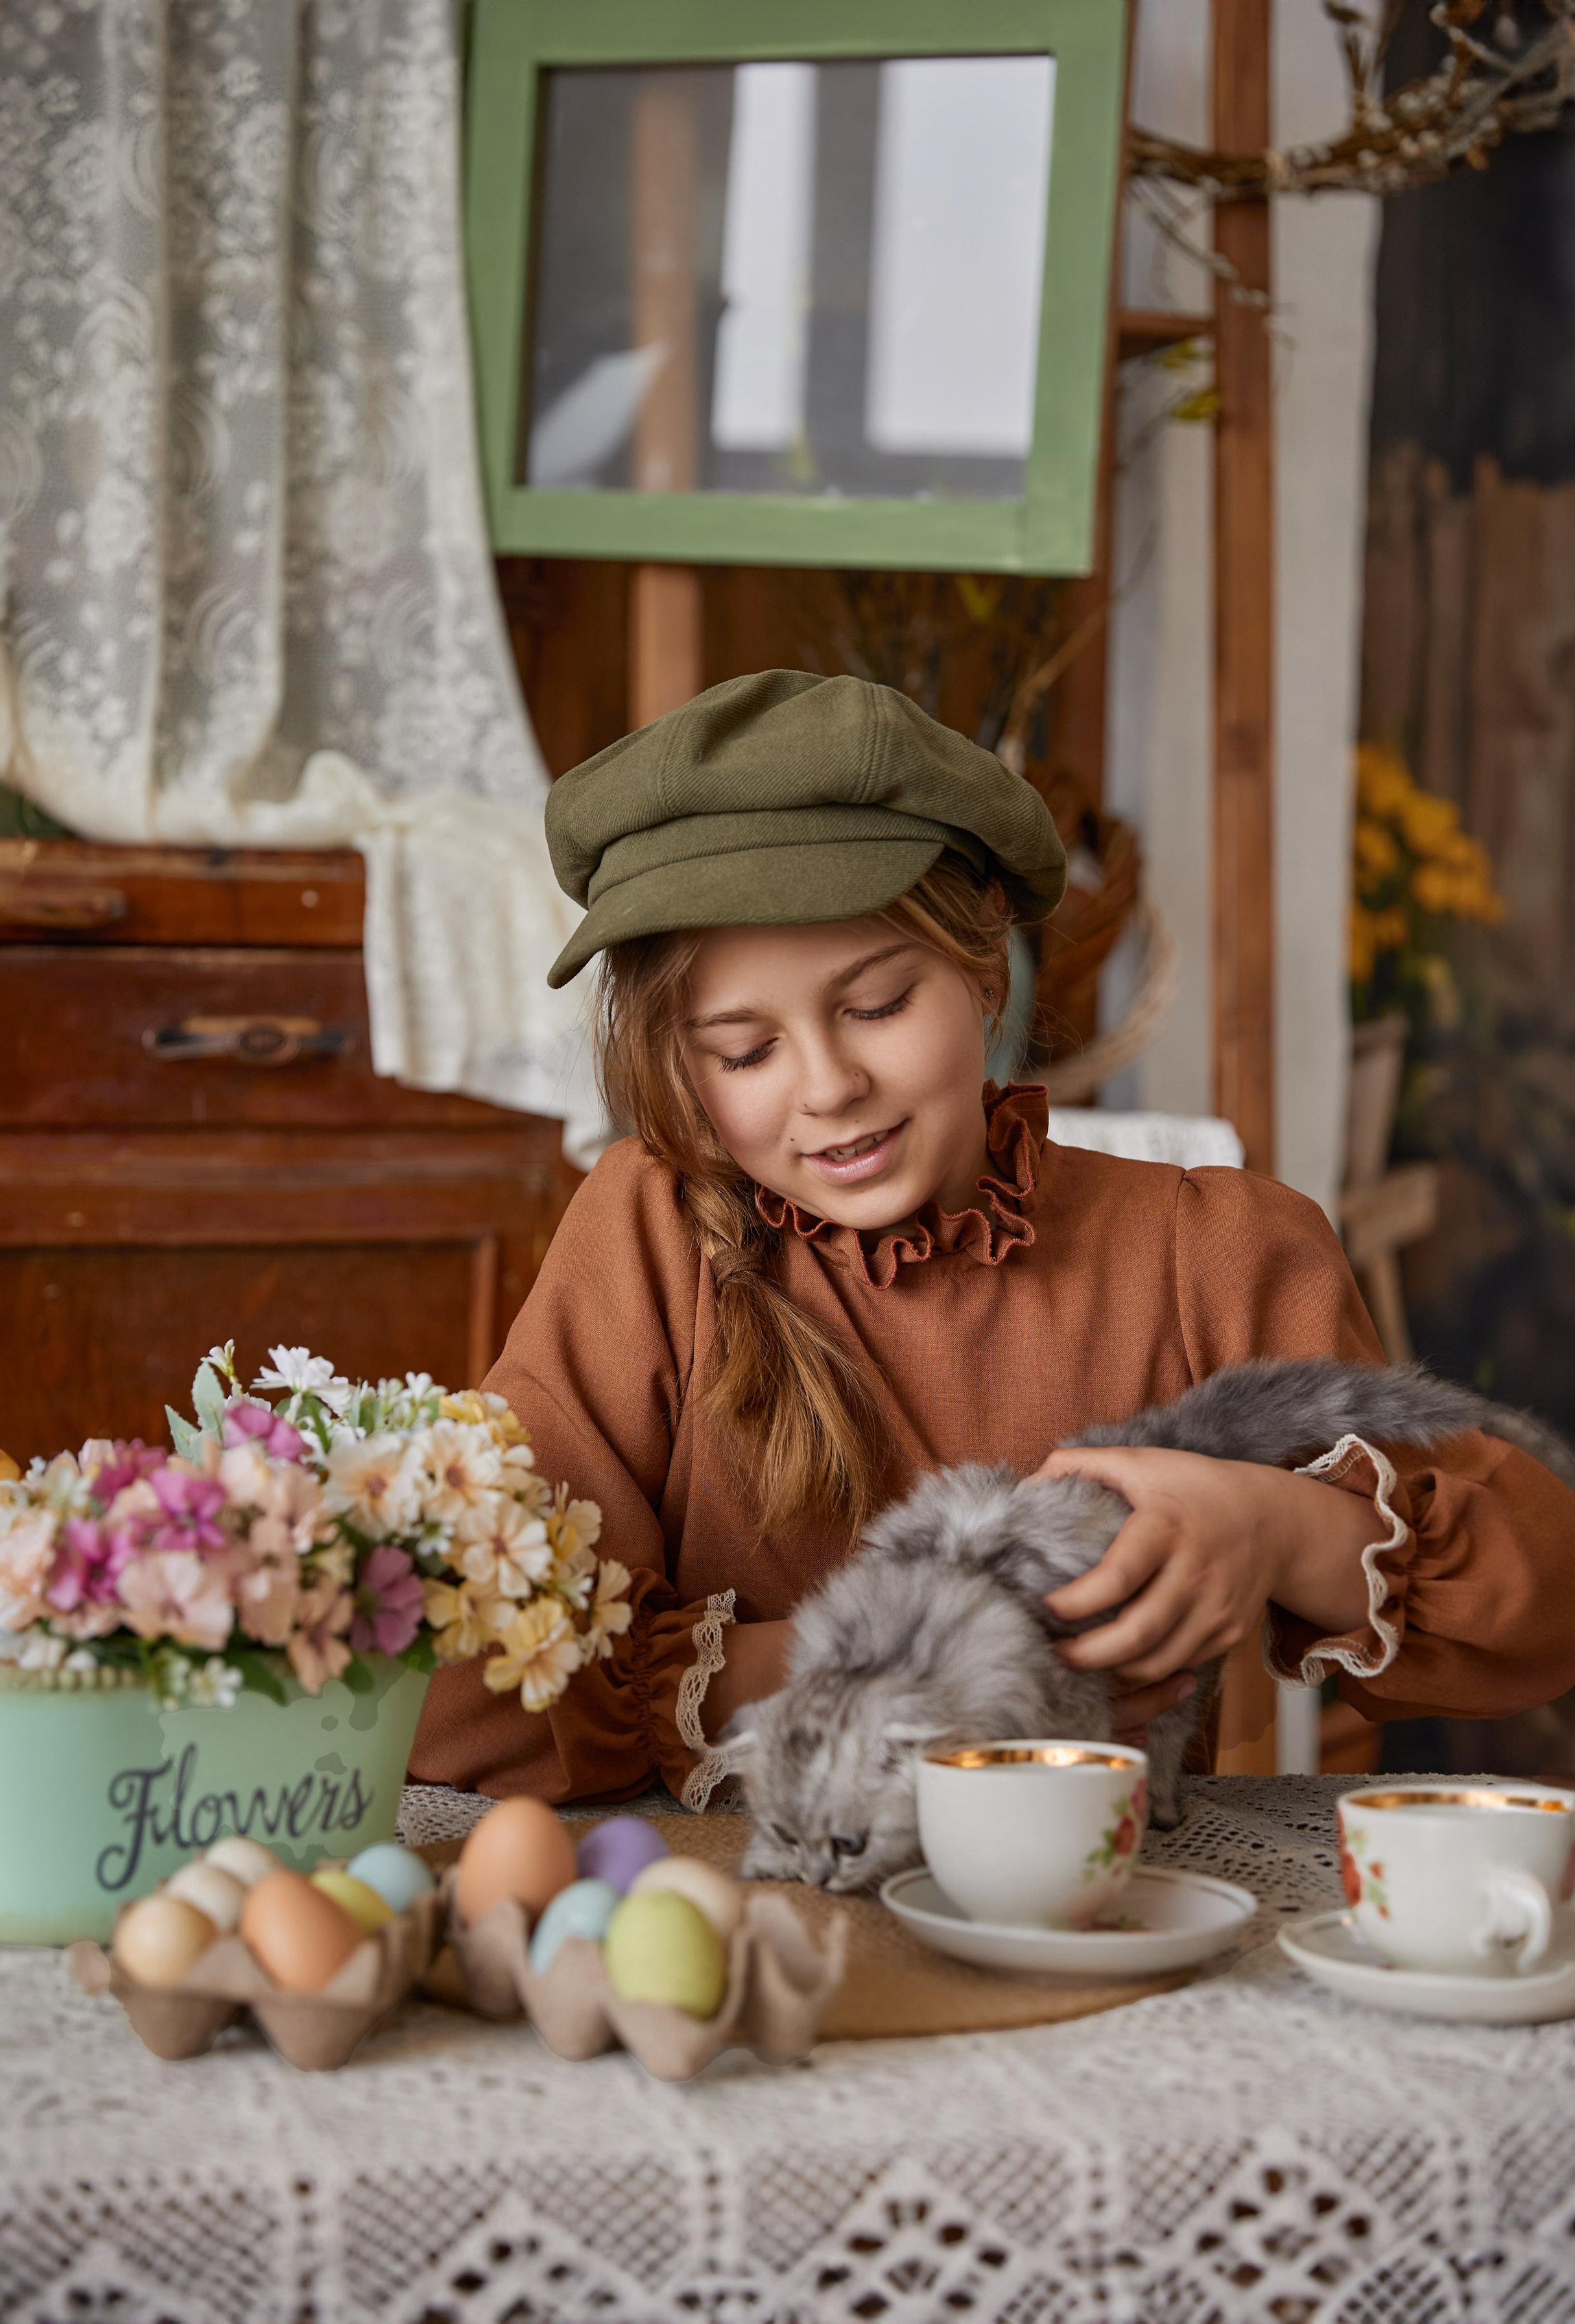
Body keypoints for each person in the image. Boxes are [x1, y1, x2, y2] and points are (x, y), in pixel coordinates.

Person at [410, 670, 1575, 1805]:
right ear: (679, 1063)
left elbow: (1543, 1605)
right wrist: (919, 1672)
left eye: (876, 1005)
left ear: (980, 964)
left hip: (1095, 1946)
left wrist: (1276, 1533)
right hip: (736, 1940)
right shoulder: (652, 1237)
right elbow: (452, 1689)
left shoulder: (1211, 1254)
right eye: (745, 1051)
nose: (828, 1086)